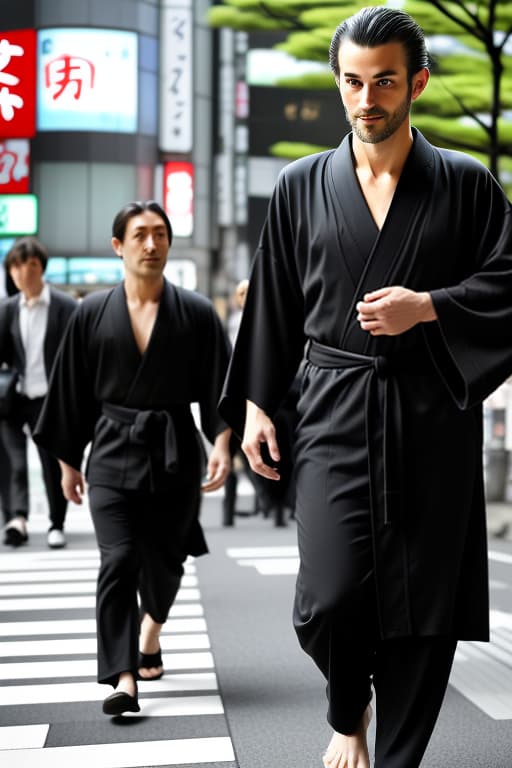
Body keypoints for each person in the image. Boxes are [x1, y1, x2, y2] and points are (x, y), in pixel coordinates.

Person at [219, 7, 512, 767]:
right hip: (333, 407)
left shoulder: (466, 185)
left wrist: (431, 308)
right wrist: (255, 403)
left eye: (384, 81)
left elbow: (510, 283)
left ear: (416, 81)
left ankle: (397, 759)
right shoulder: (300, 186)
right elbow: (275, 298)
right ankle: (348, 708)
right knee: (329, 599)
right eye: (352, 81)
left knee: (424, 607)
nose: (367, 99)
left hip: (430, 412)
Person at [33, 200, 232, 717]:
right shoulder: (91, 313)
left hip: (173, 456)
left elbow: (220, 385)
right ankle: (124, 677)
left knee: (167, 563)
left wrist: (224, 442)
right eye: (140, 234)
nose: (152, 244)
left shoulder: (195, 312)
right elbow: (70, 392)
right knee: (118, 561)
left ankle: (151, 631)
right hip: (112, 454)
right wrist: (67, 461)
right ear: (118, 245)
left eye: (160, 234)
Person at [0, 237, 77, 548]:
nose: (21, 273)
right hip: (13, 400)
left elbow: (76, 356)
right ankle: (16, 518)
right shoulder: (6, 310)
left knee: (53, 463)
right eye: (15, 266)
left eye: (28, 265)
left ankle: (56, 523)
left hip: (50, 400)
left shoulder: (65, 306)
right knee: (11, 461)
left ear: (40, 268)